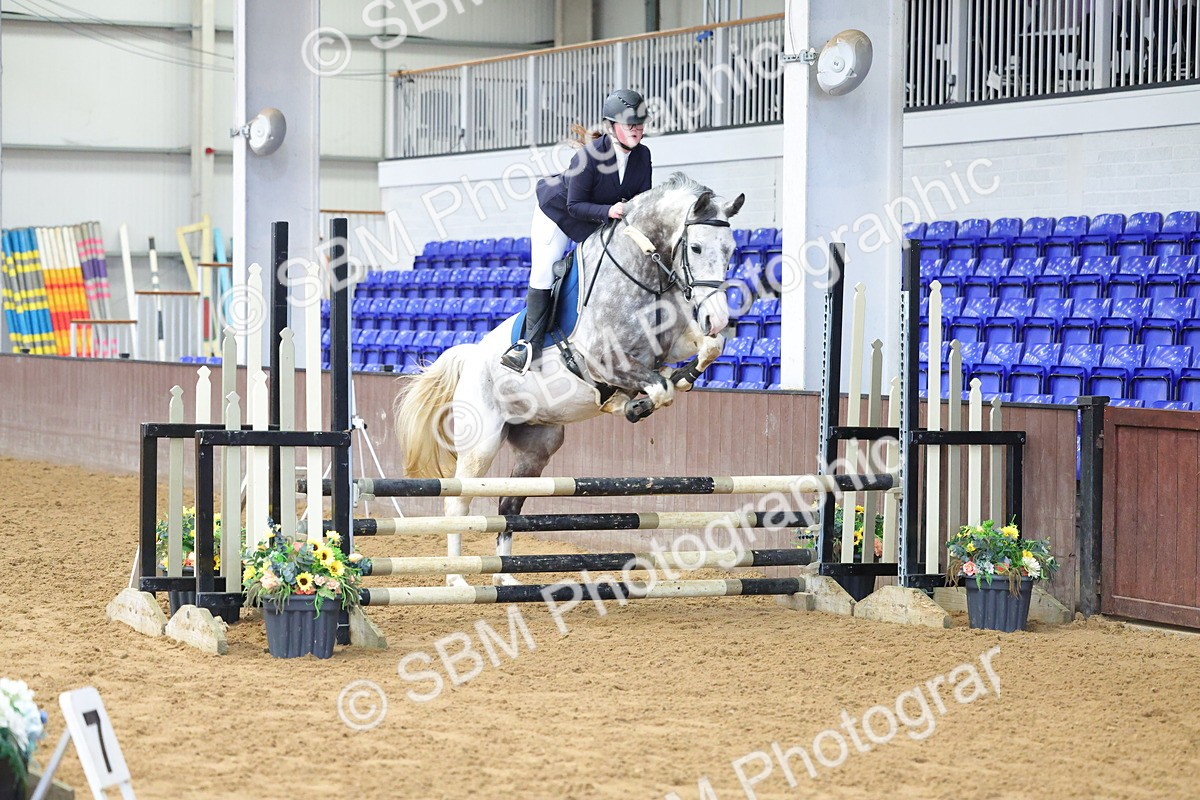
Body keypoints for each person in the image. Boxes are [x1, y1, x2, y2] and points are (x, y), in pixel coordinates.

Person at [500, 88, 654, 373]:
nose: (637, 130)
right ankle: (528, 346)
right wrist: (609, 211)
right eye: (630, 124)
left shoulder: (643, 156)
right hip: (558, 212)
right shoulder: (590, 156)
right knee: (545, 269)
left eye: (640, 123)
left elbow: (640, 201)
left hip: (600, 216)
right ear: (612, 127)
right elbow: (574, 206)